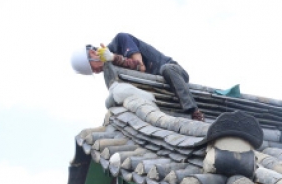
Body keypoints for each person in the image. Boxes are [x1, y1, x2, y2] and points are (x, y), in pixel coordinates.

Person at [70, 32, 204, 121]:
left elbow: (141, 67)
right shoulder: (110, 70)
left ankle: (194, 111)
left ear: (93, 53)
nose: (97, 71)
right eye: (94, 72)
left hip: (174, 73)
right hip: (156, 88)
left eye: (93, 68)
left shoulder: (121, 40)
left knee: (166, 69)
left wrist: (113, 57)